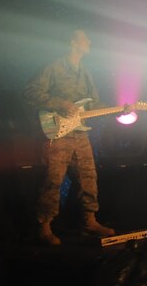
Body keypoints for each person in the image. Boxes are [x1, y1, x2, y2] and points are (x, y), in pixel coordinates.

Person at [24, 28, 124, 245]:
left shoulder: (85, 72)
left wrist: (119, 109)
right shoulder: (53, 67)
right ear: (72, 42)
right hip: (58, 134)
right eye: (84, 38)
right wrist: (61, 103)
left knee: (88, 178)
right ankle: (43, 226)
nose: (89, 40)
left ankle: (89, 222)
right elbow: (31, 92)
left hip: (80, 133)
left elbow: (94, 103)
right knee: (53, 180)